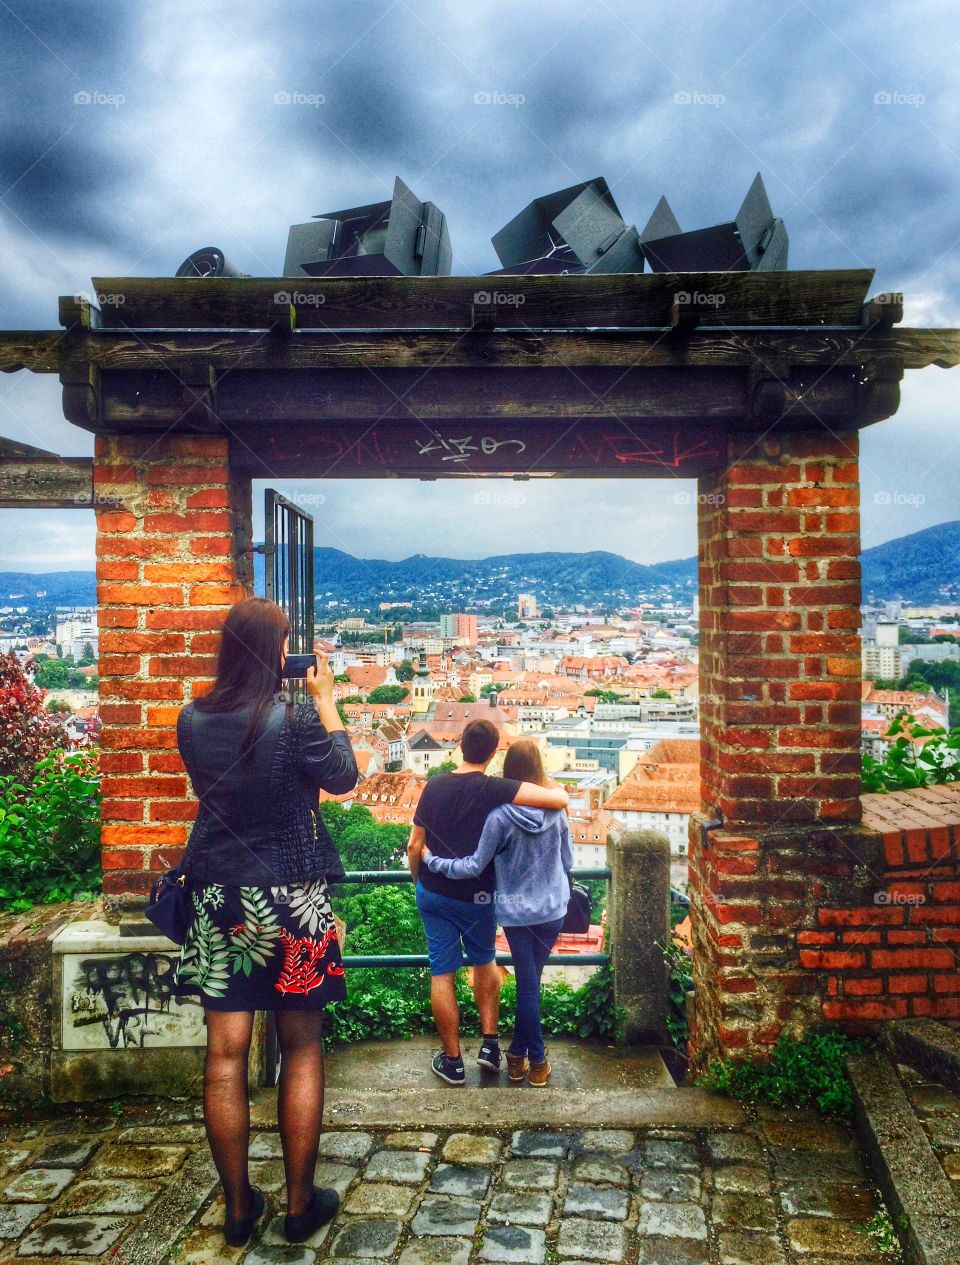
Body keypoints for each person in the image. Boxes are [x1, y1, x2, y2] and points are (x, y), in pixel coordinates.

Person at [171, 597, 358, 1248]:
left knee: (224, 1057)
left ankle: (238, 1207)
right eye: (284, 644)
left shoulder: (191, 718)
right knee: (302, 1045)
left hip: (219, 895)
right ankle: (301, 1203)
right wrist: (326, 699)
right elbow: (343, 776)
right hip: (291, 897)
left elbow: (214, 793)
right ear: (272, 652)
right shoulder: (297, 717)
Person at [406, 720, 568, 1085]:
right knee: (484, 961)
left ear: (461, 745)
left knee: (442, 972)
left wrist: (420, 878)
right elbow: (557, 801)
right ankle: (491, 1046)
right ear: (493, 753)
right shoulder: (496, 790)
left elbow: (415, 845)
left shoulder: (434, 785)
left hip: (435, 892)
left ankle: (453, 1062)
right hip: (479, 896)